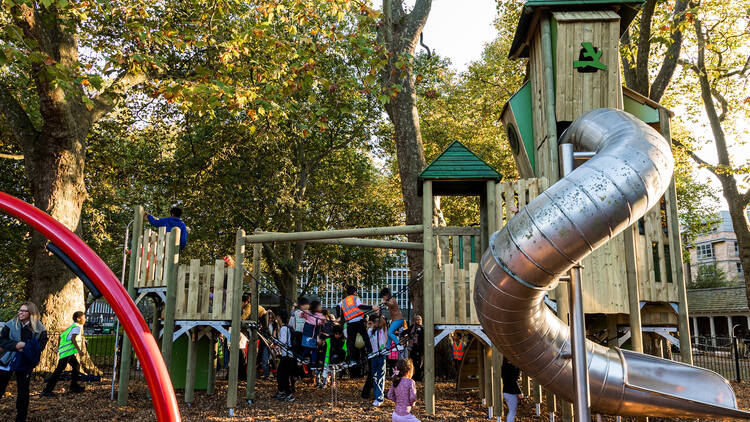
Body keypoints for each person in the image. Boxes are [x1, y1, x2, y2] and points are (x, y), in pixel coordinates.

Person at [0, 302, 48, 422]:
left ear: (31, 313)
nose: (20, 313)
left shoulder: (40, 329)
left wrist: (26, 346)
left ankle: (21, 417)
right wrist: (16, 345)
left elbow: (41, 346)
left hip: (25, 362)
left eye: (23, 311)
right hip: (7, 361)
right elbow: (2, 341)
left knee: (23, 390)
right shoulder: (10, 324)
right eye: (20, 310)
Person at [42, 311, 86, 396]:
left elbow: (61, 336)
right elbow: (73, 339)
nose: (85, 319)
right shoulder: (77, 327)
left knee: (76, 366)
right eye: (84, 317)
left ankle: (74, 386)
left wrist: (59, 348)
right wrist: (79, 351)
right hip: (67, 353)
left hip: (67, 352)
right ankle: (47, 390)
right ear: (78, 318)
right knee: (59, 370)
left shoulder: (72, 326)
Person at [336, 285, 373, 375]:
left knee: (350, 342)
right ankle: (370, 352)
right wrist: (372, 307)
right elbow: (360, 306)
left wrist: (338, 317)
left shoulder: (343, 301)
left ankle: (352, 359)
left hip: (350, 323)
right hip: (358, 321)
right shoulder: (355, 298)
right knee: (365, 337)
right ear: (354, 292)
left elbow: (337, 306)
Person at [272, 310, 296, 402]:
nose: (276, 318)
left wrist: (275, 342)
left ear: (279, 317)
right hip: (287, 356)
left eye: (277, 316)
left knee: (283, 375)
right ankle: (281, 391)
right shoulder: (286, 327)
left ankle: (289, 394)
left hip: (287, 356)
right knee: (280, 374)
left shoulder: (283, 328)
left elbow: (283, 342)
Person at [368, 316, 388, 407]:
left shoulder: (384, 330)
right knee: (374, 376)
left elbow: (384, 324)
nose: (376, 324)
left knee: (380, 376)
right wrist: (370, 327)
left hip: (381, 355)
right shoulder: (372, 331)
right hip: (373, 355)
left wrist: (379, 315)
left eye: (377, 322)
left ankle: (379, 397)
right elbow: (367, 337)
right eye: (375, 322)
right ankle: (377, 395)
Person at [379, 287, 404, 353]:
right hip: (395, 320)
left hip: (398, 319)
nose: (383, 298)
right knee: (390, 333)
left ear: (387, 295)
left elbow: (391, 304)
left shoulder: (392, 299)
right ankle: (388, 348)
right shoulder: (389, 300)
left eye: (383, 297)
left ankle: (398, 344)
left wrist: (386, 302)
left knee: (389, 332)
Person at [501, 357, 523, 422]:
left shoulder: (504, 366)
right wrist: (519, 392)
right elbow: (513, 381)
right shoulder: (510, 368)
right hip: (510, 392)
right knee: (512, 411)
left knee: (512, 411)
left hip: (506, 391)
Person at [408, 315, 424, 381]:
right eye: (416, 319)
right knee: (413, 362)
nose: (418, 321)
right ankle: (414, 376)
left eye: (419, 319)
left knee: (420, 363)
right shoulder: (412, 327)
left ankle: (419, 377)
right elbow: (407, 332)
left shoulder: (423, 328)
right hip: (413, 348)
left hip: (420, 348)